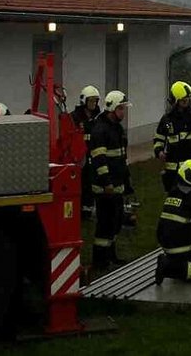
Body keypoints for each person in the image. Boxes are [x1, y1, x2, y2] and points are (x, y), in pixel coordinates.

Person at [88, 90, 131, 269]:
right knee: (105, 225)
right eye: (121, 108)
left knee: (115, 221)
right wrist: (107, 183)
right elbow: (99, 160)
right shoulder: (100, 129)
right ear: (112, 108)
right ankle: (100, 260)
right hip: (105, 187)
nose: (123, 112)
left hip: (117, 184)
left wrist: (126, 183)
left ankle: (111, 256)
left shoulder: (116, 128)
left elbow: (121, 158)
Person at [72, 85, 102, 218]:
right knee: (81, 181)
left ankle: (88, 208)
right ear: (84, 101)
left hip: (94, 153)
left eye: (96, 101)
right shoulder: (75, 117)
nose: (94, 104)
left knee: (93, 180)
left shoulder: (98, 117)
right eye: (91, 101)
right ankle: (79, 208)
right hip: (80, 155)